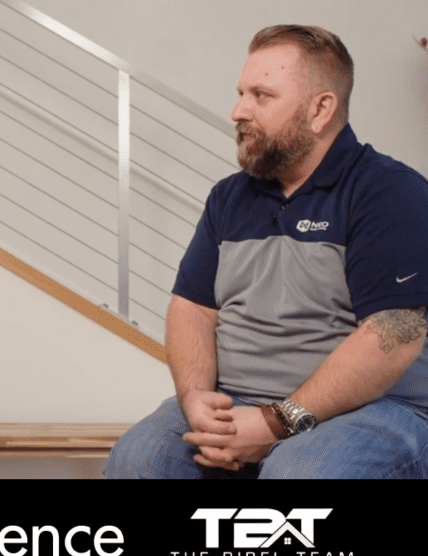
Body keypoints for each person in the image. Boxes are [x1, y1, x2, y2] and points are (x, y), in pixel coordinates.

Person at [106, 24, 428, 479]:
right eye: (241, 93)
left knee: (298, 474)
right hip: (239, 401)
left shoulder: (390, 192)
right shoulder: (228, 198)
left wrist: (276, 421)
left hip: (373, 411)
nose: (238, 110)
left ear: (320, 110)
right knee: (138, 461)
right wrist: (196, 398)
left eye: (261, 95)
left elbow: (395, 335)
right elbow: (192, 309)